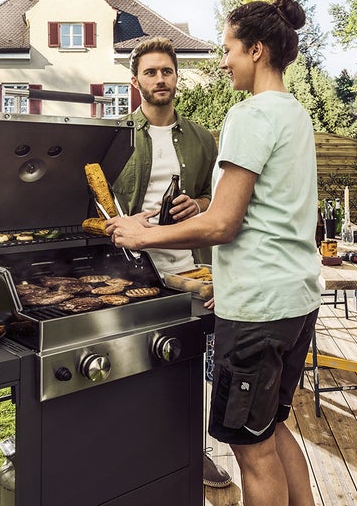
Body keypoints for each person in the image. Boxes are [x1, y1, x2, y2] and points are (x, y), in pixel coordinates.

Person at [107, 0, 321, 504]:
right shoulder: (295, 113)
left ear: (256, 50)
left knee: (250, 449)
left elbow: (223, 222)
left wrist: (141, 235)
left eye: (228, 50)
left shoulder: (247, 115)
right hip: (297, 299)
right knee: (269, 428)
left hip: (257, 311)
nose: (223, 61)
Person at [112, 36, 230, 488]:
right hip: (131, 272)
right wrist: (122, 224)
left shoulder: (203, 138)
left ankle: (190, 453)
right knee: (134, 368)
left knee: (191, 367)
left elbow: (218, 200)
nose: (160, 79)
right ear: (135, 81)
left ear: (177, 77)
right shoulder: (116, 138)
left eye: (167, 71)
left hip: (191, 271)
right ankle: (138, 455)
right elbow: (96, 207)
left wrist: (198, 205)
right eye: (151, 72)